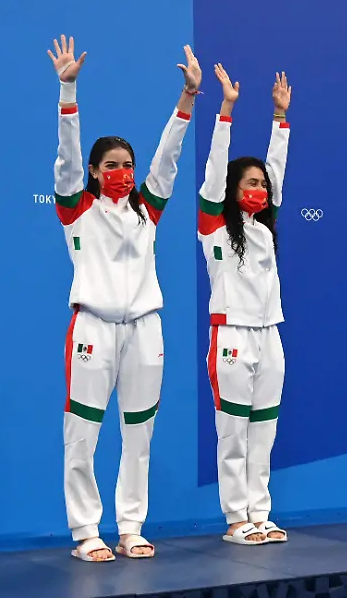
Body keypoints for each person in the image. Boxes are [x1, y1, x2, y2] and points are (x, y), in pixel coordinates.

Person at [49, 35, 203, 561]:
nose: (123, 172)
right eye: (111, 165)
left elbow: (169, 160)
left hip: (145, 329)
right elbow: (67, 160)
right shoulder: (77, 209)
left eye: (127, 164)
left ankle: (131, 526)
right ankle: (87, 532)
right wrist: (67, 94)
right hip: (92, 326)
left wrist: (187, 99)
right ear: (95, 173)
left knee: (139, 435)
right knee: (83, 435)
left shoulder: (146, 210)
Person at [198, 63, 292, 545]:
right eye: (248, 183)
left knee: (264, 432)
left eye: (262, 185)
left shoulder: (264, 227)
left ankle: (261, 512)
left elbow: (277, 171)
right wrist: (227, 110)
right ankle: (237, 519)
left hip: (269, 333)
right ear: (232, 190)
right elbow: (216, 169)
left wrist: (280, 117)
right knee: (233, 433)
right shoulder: (213, 226)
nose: (257, 189)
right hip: (230, 334)